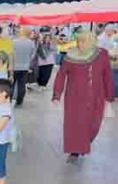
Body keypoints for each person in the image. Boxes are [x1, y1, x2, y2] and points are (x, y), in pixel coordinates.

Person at [52, 29, 115, 164]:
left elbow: (108, 76)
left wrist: (109, 97)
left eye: (83, 41)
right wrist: (57, 94)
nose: (79, 44)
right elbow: (61, 74)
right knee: (75, 125)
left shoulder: (102, 54)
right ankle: (74, 151)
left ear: (90, 41)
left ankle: (85, 142)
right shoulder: (71, 55)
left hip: (97, 96)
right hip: (74, 97)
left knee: (94, 125)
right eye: (78, 40)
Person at [12, 27, 37, 106]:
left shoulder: (14, 41)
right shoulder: (31, 43)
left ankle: (9, 99)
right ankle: (19, 101)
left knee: (11, 84)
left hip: (13, 66)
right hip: (25, 67)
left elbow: (10, 54)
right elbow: (32, 56)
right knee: (22, 85)